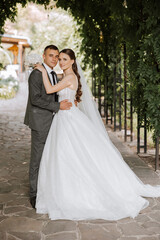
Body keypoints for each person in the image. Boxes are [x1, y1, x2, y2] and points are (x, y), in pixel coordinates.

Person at [34, 48, 160, 221]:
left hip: (67, 119)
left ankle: (75, 192)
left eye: (64, 59)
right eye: (59, 59)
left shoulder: (69, 77)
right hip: (66, 117)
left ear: (72, 61)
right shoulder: (68, 77)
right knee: (65, 155)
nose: (61, 62)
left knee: (69, 153)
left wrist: (41, 70)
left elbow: (49, 90)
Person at [24, 45, 72, 209]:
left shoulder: (52, 74)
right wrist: (58, 106)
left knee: (49, 156)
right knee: (37, 159)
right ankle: (34, 195)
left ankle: (47, 189)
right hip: (40, 122)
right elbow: (35, 99)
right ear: (43, 56)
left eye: (56, 56)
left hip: (52, 121)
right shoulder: (36, 75)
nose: (54, 59)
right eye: (51, 55)